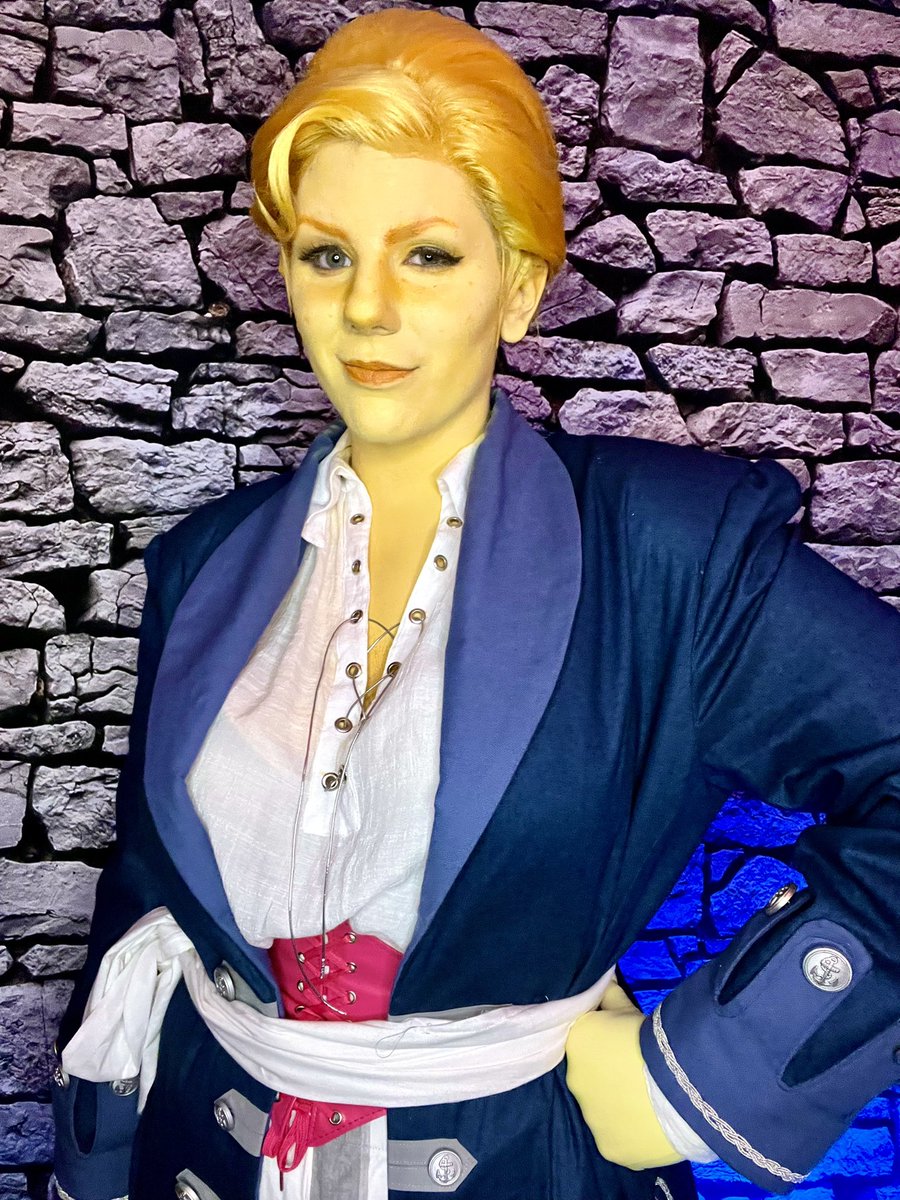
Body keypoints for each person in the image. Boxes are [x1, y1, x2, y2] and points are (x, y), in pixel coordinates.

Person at [50, 9, 899, 1200]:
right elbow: (144, 899)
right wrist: (91, 1165)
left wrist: (694, 1077)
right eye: (327, 255)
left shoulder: (667, 554)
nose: (367, 308)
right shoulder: (203, 564)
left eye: (429, 256)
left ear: (520, 287)